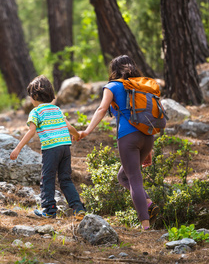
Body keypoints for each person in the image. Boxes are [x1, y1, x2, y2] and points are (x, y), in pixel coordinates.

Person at [79, 55, 160, 230]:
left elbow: (101, 109)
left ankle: (146, 227)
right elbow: (146, 114)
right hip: (147, 136)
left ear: (114, 70)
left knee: (134, 180)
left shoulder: (112, 86)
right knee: (122, 176)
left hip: (128, 137)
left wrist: (86, 131)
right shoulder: (141, 86)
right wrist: (149, 150)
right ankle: (148, 204)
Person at [10, 75, 86, 220]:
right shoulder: (57, 109)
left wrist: (18, 148)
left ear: (35, 96)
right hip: (65, 147)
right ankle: (78, 208)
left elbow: (31, 131)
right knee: (65, 179)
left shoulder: (36, 112)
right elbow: (68, 126)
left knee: (47, 179)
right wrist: (76, 134)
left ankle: (49, 210)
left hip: (51, 149)